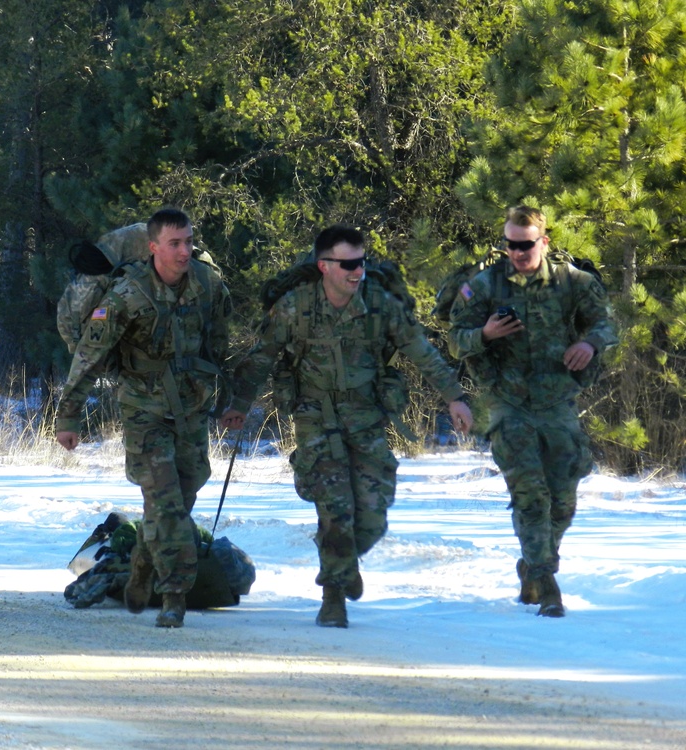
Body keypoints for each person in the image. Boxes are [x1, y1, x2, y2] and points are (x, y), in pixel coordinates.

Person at [220, 225, 473, 628]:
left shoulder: (380, 305)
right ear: (324, 266)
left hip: (366, 418)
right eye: (349, 264)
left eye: (362, 263)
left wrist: (454, 396)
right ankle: (333, 595)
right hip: (315, 418)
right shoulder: (294, 307)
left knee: (372, 516)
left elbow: (421, 352)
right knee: (335, 509)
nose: (358, 272)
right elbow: (262, 356)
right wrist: (238, 405)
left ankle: (346, 562)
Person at [55, 208, 231, 629]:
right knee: (166, 502)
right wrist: (69, 416)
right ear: (153, 248)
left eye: (189, 242)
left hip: (191, 409)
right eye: (175, 243)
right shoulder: (127, 294)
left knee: (182, 498)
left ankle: (141, 565)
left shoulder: (208, 286)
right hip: (144, 409)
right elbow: (89, 356)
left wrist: (231, 402)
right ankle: (174, 596)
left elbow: (220, 344)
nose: (185, 250)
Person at [448, 205, 617, 618]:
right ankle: (546, 581)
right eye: (511, 245)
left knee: (563, 500)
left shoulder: (572, 283)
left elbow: (607, 324)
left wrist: (589, 343)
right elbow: (454, 339)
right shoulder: (485, 286)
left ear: (543, 241)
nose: (518, 253)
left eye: (525, 245)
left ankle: (532, 564)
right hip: (509, 403)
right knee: (529, 496)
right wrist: (484, 334)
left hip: (557, 401)